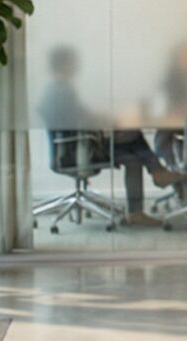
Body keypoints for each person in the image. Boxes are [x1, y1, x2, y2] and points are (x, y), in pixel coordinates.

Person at [33, 45, 176, 226]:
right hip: (79, 151)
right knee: (132, 137)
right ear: (65, 65)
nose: (76, 66)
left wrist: (109, 120)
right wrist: (111, 121)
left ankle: (152, 180)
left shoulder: (55, 89)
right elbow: (83, 119)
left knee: (132, 146)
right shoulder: (62, 91)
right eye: (73, 62)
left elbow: (82, 116)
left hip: (74, 148)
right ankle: (155, 175)